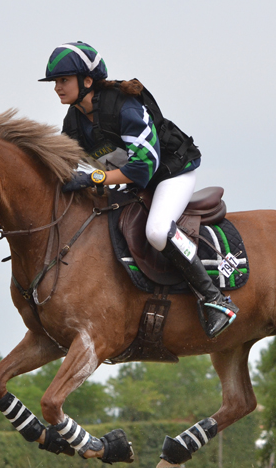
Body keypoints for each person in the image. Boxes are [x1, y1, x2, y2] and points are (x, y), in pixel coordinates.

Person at [40, 41, 238, 338]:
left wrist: (93, 179)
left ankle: (215, 299)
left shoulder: (124, 105)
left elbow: (142, 167)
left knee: (157, 231)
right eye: (56, 82)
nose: (57, 87)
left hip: (171, 173)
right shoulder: (74, 121)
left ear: (88, 81)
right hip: (132, 180)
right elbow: (69, 165)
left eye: (63, 80)